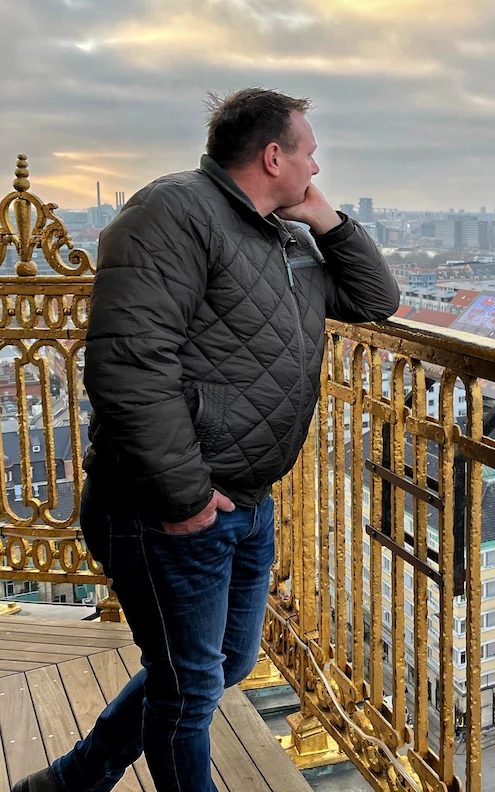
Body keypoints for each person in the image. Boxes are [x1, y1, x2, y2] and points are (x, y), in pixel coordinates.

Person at [15, 90, 400, 792]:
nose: (317, 164)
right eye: (309, 151)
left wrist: (327, 219)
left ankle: (73, 780)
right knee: (189, 691)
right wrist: (185, 496)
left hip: (244, 501)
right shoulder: (173, 213)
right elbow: (129, 366)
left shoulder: (282, 233)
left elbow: (375, 300)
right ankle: (77, 779)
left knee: (219, 666)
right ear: (273, 155)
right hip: (169, 509)